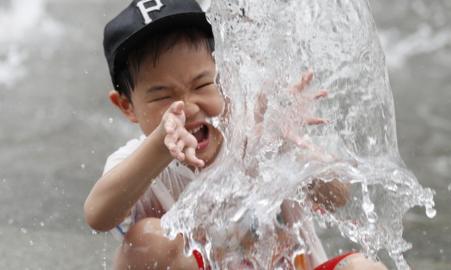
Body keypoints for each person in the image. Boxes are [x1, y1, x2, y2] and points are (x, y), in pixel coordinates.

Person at [84, 0, 387, 269]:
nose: (188, 107)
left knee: (364, 267)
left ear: (225, 74)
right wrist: (159, 147)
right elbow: (98, 216)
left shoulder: (257, 133)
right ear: (127, 107)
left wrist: (286, 148)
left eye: (203, 84)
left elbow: (337, 197)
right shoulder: (138, 165)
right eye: (162, 96)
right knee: (148, 241)